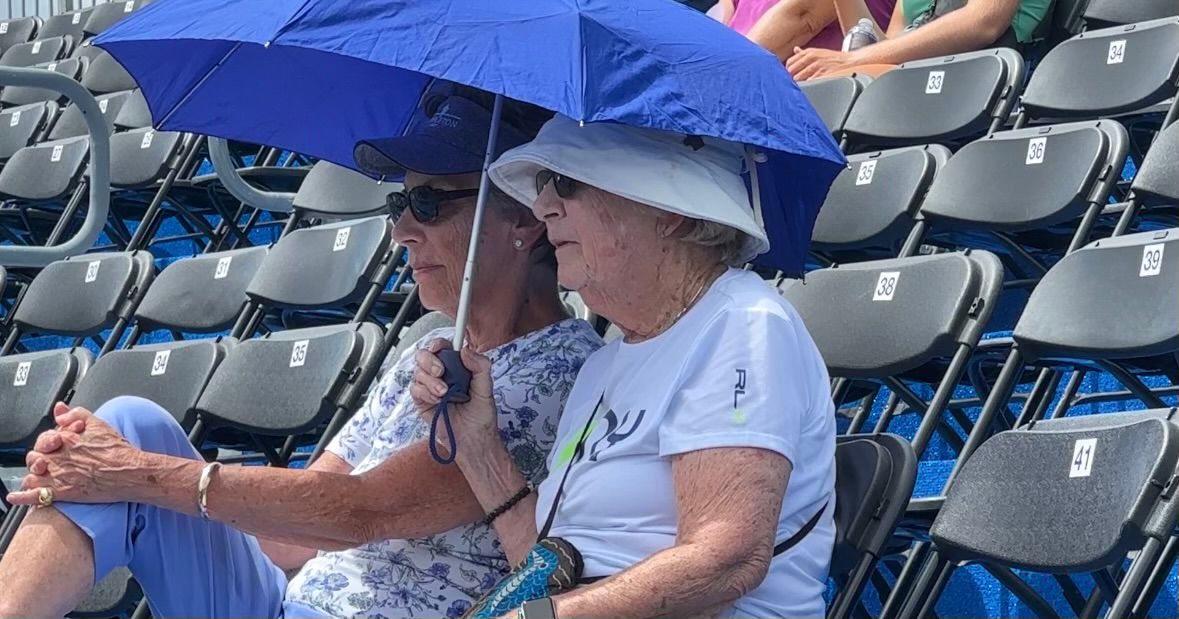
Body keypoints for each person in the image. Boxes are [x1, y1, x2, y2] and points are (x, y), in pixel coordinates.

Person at [0, 86, 604, 619]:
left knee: (125, 461)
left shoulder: (557, 369)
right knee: (129, 422)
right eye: (400, 205)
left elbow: (362, 513)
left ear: (524, 221)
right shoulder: (430, 353)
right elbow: (297, 537)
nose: (402, 231)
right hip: (287, 602)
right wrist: (118, 481)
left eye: (430, 204)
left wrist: (138, 477)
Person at [411, 116, 838, 618]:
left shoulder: (742, 325)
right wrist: (478, 445)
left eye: (565, 183)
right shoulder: (606, 362)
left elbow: (727, 559)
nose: (543, 206)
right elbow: (553, 567)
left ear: (670, 211)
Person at [787, 0, 1051, 80]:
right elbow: (888, 45)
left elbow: (983, 23)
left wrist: (849, 61)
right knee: (806, 83)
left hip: (977, 72)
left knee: (825, 83)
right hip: (912, 75)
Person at [717, 0, 895, 60]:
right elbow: (730, 19)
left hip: (800, 96)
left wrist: (719, 75)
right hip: (739, 77)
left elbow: (802, 16)